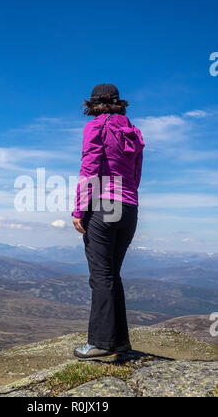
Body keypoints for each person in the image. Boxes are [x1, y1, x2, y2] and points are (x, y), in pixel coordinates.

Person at [72, 84, 145, 362]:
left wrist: (79, 209)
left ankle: (101, 343)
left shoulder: (95, 127)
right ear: (119, 103)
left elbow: (89, 168)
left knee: (101, 277)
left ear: (92, 105)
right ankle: (121, 343)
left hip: (104, 204)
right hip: (129, 207)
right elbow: (136, 173)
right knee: (112, 275)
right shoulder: (133, 131)